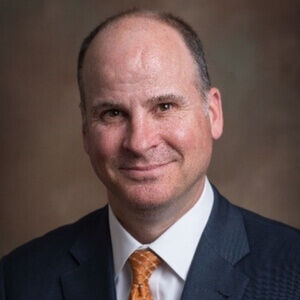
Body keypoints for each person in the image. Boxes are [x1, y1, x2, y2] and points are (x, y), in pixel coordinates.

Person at [1, 9, 299, 300]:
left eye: (165, 107)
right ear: (85, 132)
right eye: (113, 113)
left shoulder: (292, 272)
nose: (139, 142)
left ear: (213, 114)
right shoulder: (18, 280)